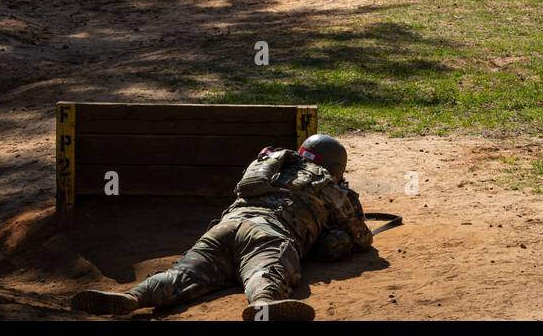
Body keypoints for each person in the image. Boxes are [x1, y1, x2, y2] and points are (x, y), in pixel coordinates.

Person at [71, 134, 372, 321]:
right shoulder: (326, 183)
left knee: (182, 274)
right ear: (335, 166)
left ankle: (134, 297)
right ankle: (264, 304)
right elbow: (361, 237)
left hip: (226, 227)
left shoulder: (271, 166)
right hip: (268, 234)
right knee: (263, 272)